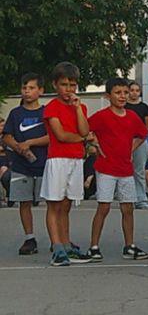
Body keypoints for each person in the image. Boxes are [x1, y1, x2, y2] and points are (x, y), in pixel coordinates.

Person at [86, 78, 148, 261]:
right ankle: (94, 246)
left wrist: (131, 149)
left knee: (128, 208)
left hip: (125, 169)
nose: (122, 96)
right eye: (118, 93)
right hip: (106, 168)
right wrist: (95, 144)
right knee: (104, 207)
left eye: (125, 92)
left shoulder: (132, 117)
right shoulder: (102, 116)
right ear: (108, 96)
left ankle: (129, 246)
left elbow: (143, 134)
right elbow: (85, 129)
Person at [41, 62, 93, 266]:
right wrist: (84, 139)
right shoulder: (51, 107)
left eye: (72, 85)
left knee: (66, 204)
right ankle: (57, 248)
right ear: (55, 85)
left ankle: (66, 244)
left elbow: (83, 129)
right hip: (58, 160)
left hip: (75, 160)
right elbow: (61, 135)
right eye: (64, 85)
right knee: (54, 204)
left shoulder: (80, 106)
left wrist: (78, 108)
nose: (68, 90)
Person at [3, 73, 49, 255]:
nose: (27, 92)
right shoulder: (16, 113)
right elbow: (6, 135)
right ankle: (29, 238)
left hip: (44, 164)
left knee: (52, 204)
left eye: (31, 88)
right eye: (24, 88)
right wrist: (17, 146)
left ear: (41, 91)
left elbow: (51, 137)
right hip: (21, 166)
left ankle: (56, 238)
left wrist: (30, 143)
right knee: (24, 202)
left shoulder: (46, 112)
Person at [126, 81, 148, 209]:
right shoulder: (124, 106)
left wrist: (140, 139)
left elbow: (147, 126)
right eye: (132, 90)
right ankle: (127, 197)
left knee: (140, 170)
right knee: (126, 170)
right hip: (125, 140)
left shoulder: (144, 107)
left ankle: (141, 197)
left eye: (137, 90)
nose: (134, 93)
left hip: (140, 140)